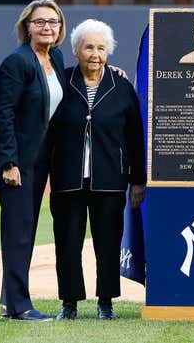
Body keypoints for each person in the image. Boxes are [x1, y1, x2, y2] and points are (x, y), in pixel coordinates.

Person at [48, 19, 146, 321]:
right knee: (68, 243)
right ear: (76, 50)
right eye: (89, 47)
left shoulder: (121, 86)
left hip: (110, 181)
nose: (95, 53)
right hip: (68, 180)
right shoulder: (61, 82)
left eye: (101, 48)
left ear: (109, 52)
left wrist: (138, 180)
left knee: (107, 244)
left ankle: (106, 302)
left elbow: (134, 136)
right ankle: (70, 303)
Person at [0, 0, 66, 321]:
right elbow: (3, 112)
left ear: (60, 28)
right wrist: (8, 162)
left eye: (53, 22)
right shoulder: (17, 62)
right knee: (18, 231)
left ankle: (10, 299)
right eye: (40, 22)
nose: (46, 27)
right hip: (15, 159)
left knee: (27, 228)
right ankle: (19, 306)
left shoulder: (56, 58)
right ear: (27, 27)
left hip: (38, 158)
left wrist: (105, 71)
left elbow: (62, 89)